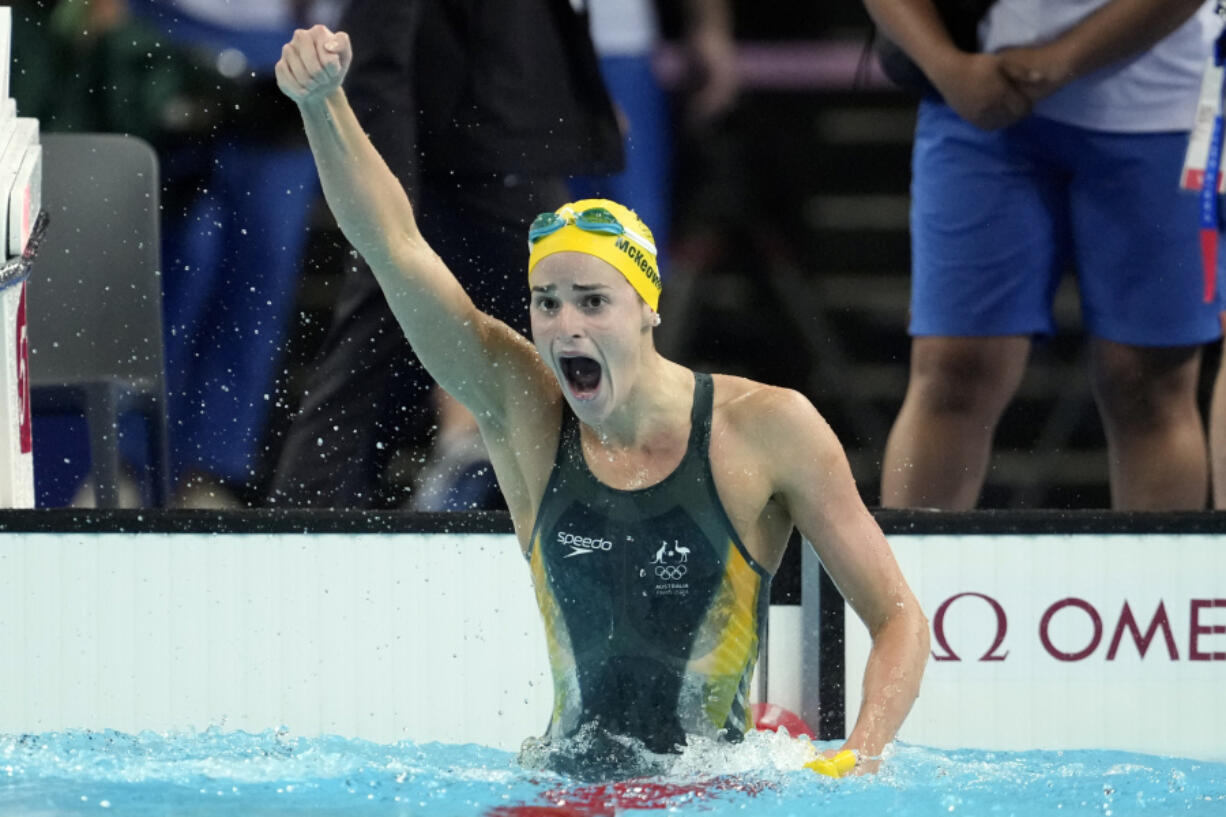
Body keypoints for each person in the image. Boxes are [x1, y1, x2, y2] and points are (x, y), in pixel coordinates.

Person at [275, 25, 929, 779]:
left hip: (712, 789)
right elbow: (395, 245)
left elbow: (900, 620)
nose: (566, 325)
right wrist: (324, 107)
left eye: (593, 301)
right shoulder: (526, 411)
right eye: (547, 303)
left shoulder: (766, 428)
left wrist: (860, 758)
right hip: (562, 783)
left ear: (648, 308)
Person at [267, 0, 623, 510]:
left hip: (503, 142)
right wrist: (385, 201)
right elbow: (377, 44)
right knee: (385, 320)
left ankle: (311, 511)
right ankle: (301, 520)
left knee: (569, 336)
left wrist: (577, 97)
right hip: (457, 155)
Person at [867, 0, 1221, 510]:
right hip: (984, 101)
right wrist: (946, 65)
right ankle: (904, 586)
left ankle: (1155, 589)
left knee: (1150, 382)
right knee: (952, 369)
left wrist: (1065, 58)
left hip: (1161, 112)